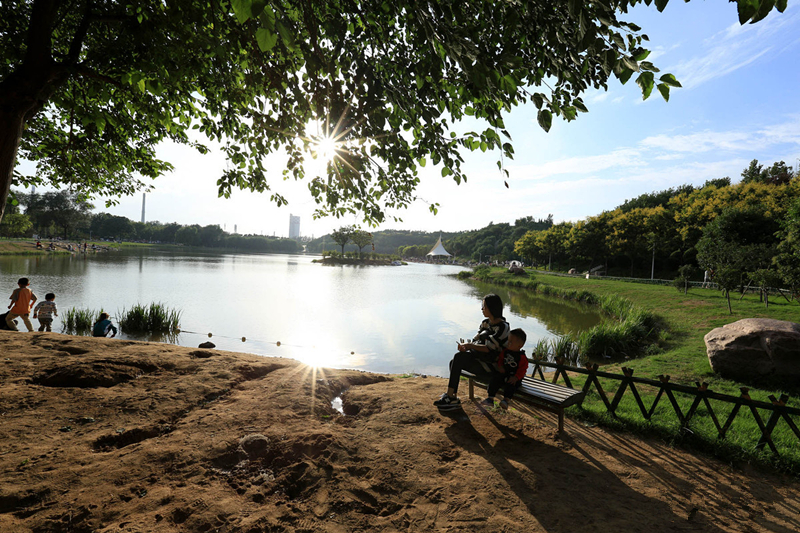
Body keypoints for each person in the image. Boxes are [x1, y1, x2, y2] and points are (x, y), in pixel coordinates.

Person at [434, 293, 510, 410]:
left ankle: (450, 398)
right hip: (481, 361)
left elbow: (489, 349)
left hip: (493, 368)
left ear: (492, 307)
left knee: (458, 359)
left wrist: (470, 346)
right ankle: (452, 397)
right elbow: (476, 340)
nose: (482, 309)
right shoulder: (485, 323)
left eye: (484, 306)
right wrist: (466, 347)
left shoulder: (503, 327)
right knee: (454, 360)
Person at [481, 328, 528, 410]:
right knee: (495, 379)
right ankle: (490, 398)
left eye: (511, 342)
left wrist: (516, 377)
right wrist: (500, 366)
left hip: (514, 377)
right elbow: (500, 360)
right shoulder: (505, 352)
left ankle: (506, 400)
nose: (508, 343)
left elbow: (523, 369)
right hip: (504, 373)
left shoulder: (522, 357)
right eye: (508, 341)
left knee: (511, 386)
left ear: (520, 345)